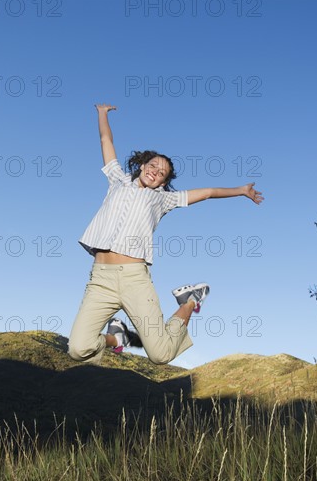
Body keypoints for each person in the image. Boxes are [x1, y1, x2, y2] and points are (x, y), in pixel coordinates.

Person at [68, 104, 264, 365]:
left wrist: (239, 189)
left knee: (160, 355)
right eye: (152, 166)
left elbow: (206, 193)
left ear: (163, 182)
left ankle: (189, 301)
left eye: (162, 173)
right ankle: (118, 338)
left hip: (134, 280)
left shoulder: (164, 200)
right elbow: (106, 140)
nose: (155, 172)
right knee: (78, 348)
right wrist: (102, 113)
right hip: (100, 280)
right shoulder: (118, 180)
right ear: (141, 166)